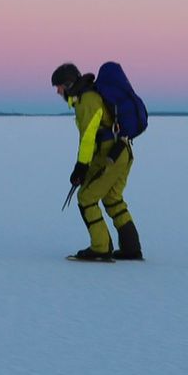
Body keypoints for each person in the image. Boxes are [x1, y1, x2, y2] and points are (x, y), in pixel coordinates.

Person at [51, 62, 141, 262]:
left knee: (86, 198)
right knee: (112, 199)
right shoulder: (89, 97)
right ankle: (131, 248)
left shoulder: (87, 100)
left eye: (58, 86)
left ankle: (100, 248)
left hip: (110, 156)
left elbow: (88, 137)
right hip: (121, 153)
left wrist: (81, 167)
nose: (57, 91)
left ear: (68, 84)